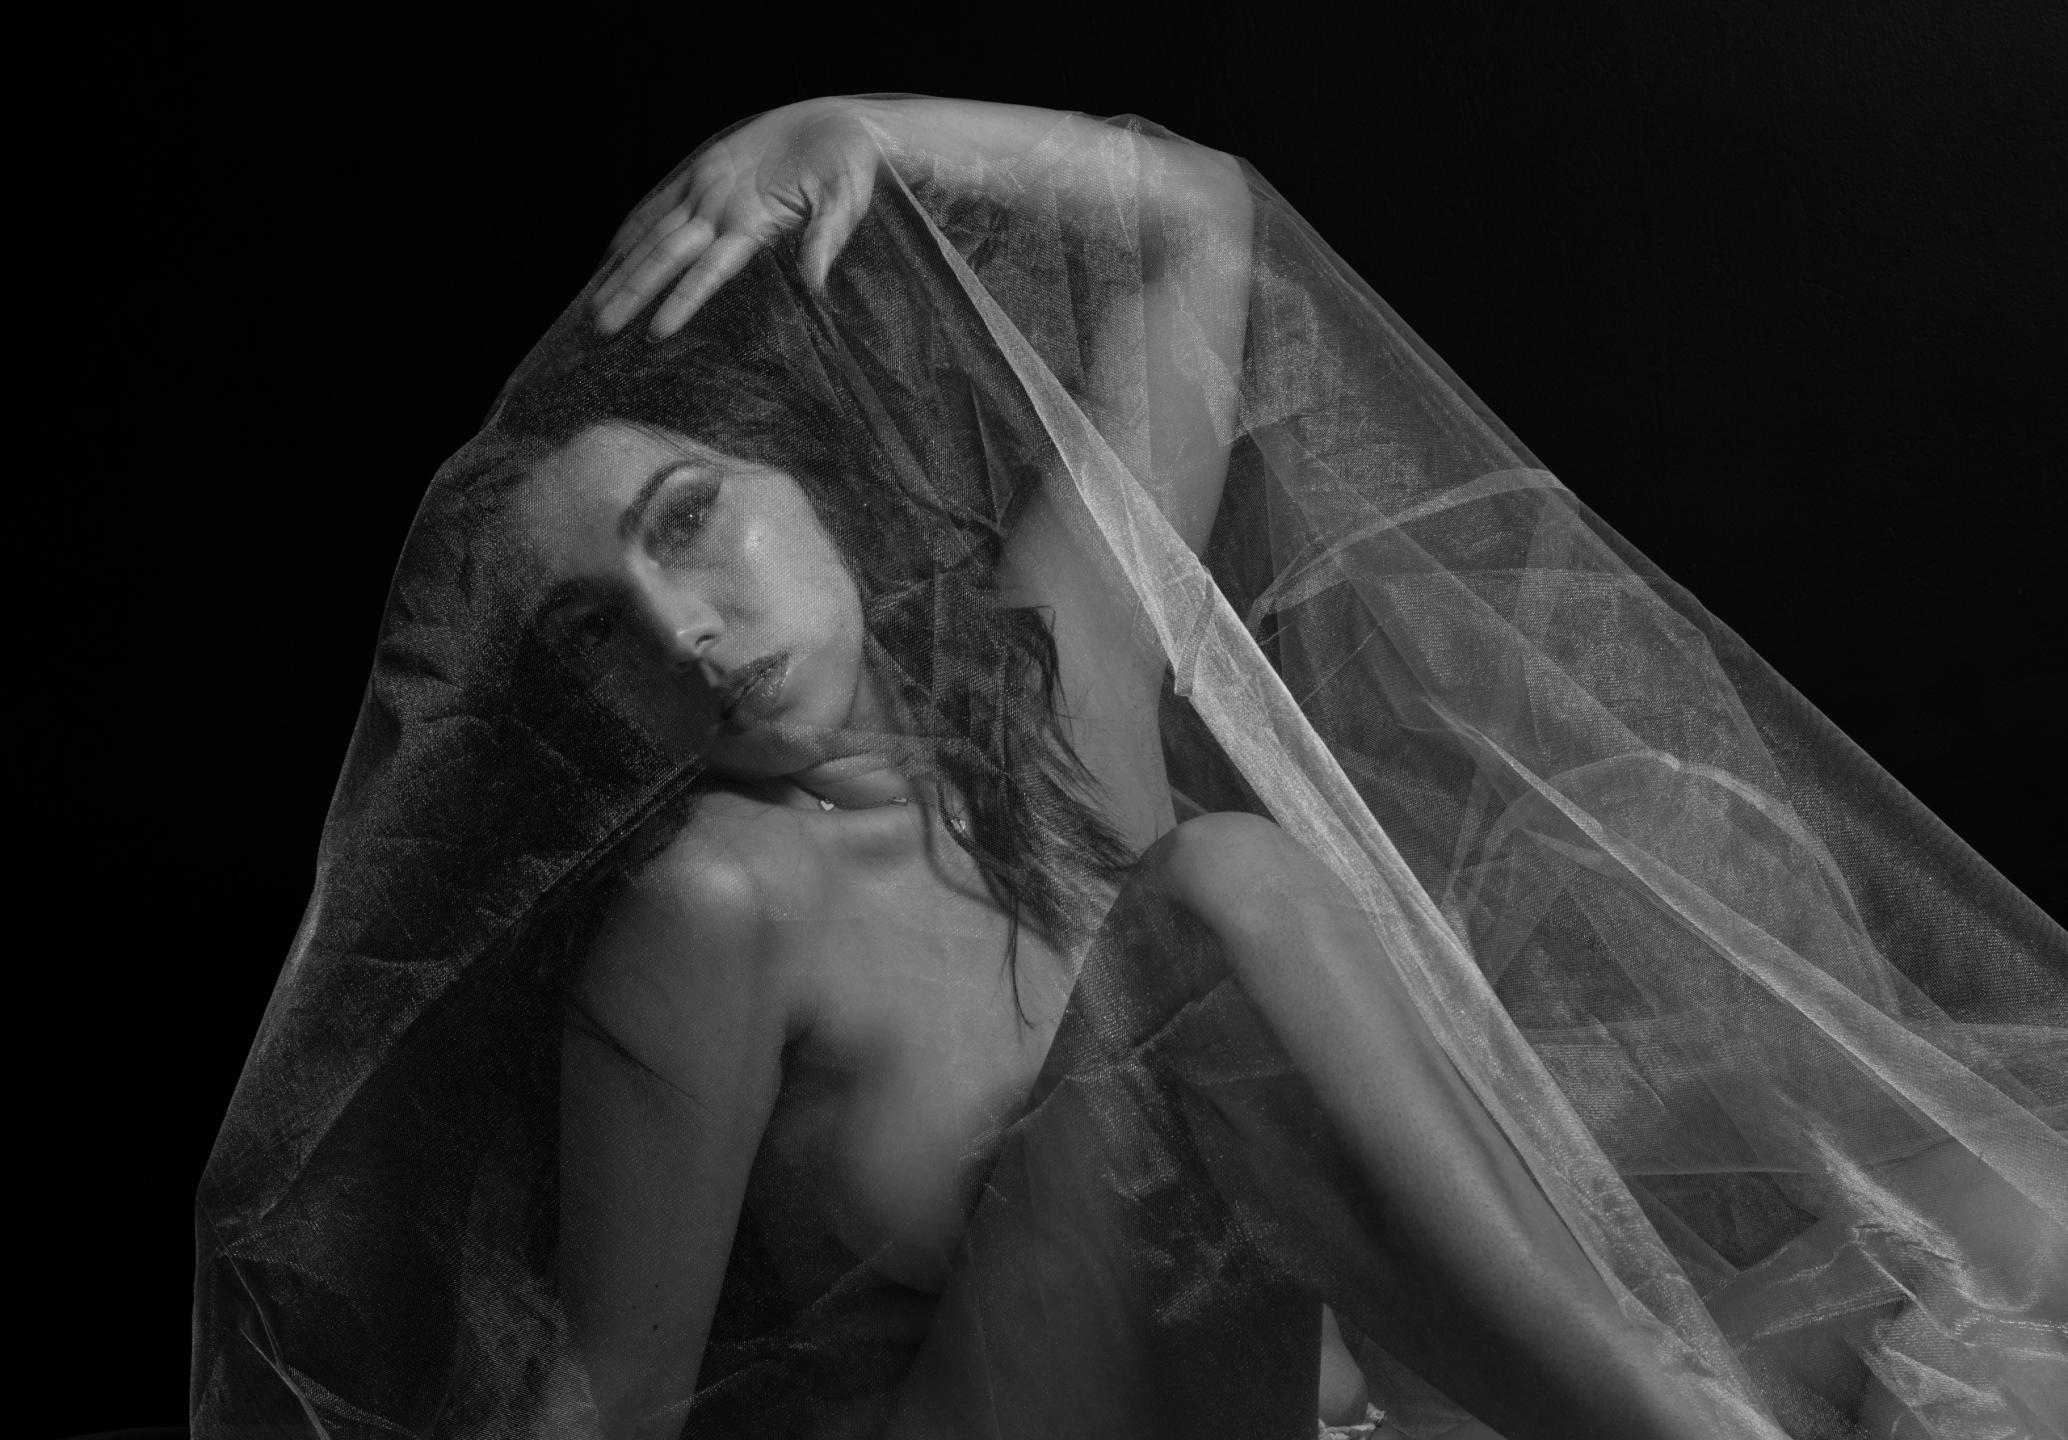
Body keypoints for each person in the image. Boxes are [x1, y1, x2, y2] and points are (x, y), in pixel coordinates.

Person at [191, 97, 2067, 1440]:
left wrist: (862, 127)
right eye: (599, 631)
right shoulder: (718, 902)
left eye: (691, 521)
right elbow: (615, 1391)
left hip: (1333, 1414)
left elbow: (1203, 226)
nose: (682, 627)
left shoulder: (1051, 676)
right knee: (1221, 887)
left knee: (2012, 1211)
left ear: (817, 485)